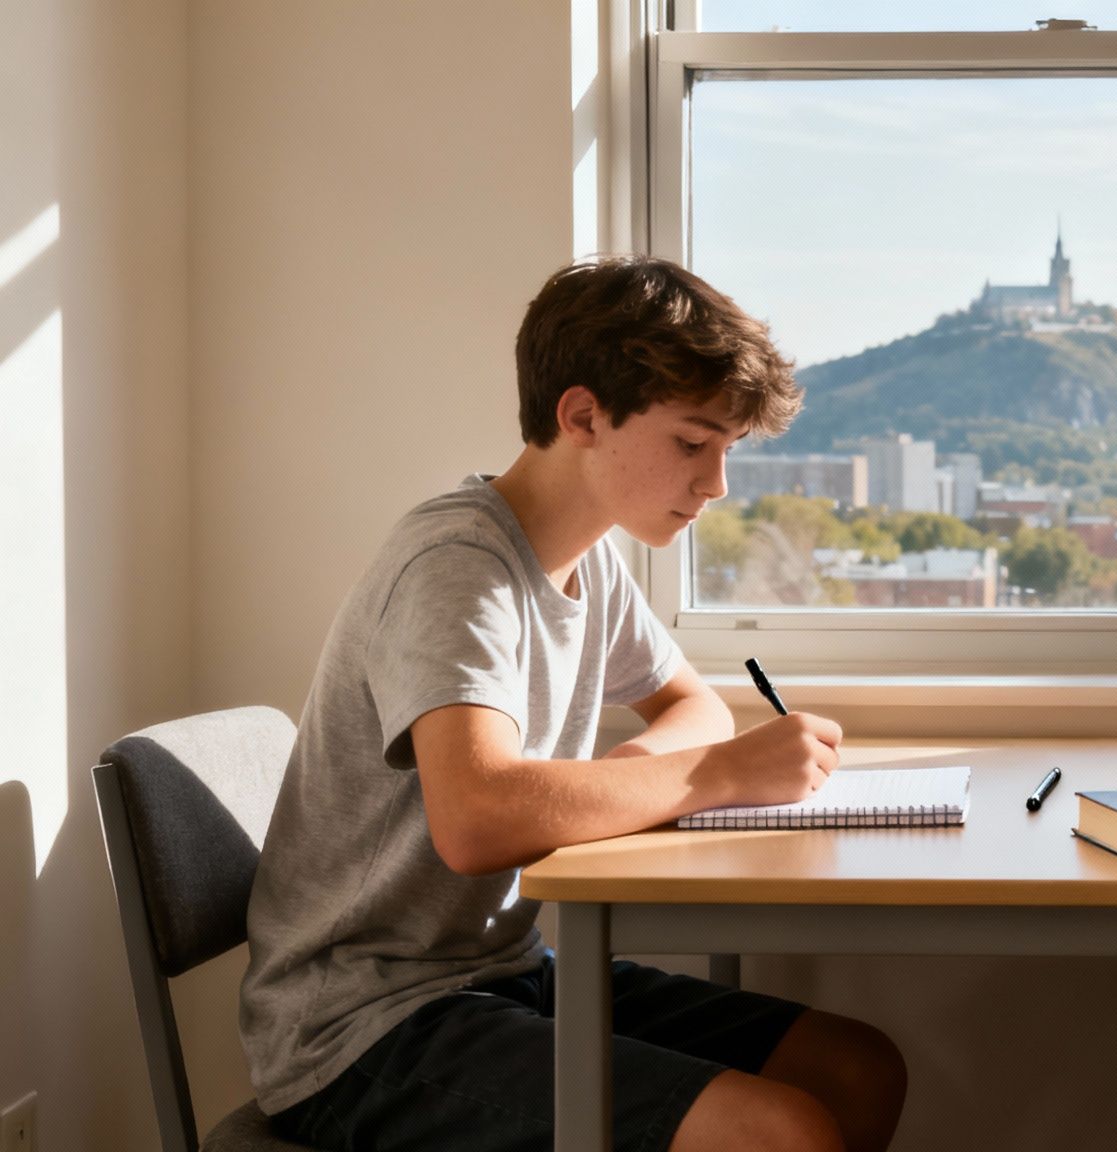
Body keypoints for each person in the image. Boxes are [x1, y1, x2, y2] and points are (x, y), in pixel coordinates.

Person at [241, 256, 906, 1152]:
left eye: (728, 450)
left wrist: (631, 778)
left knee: (856, 1068)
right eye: (693, 443)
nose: (716, 484)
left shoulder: (588, 562)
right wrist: (715, 775)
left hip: (501, 970)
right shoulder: (457, 567)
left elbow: (695, 707)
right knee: (779, 1132)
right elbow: (477, 819)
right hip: (362, 1025)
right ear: (584, 416)